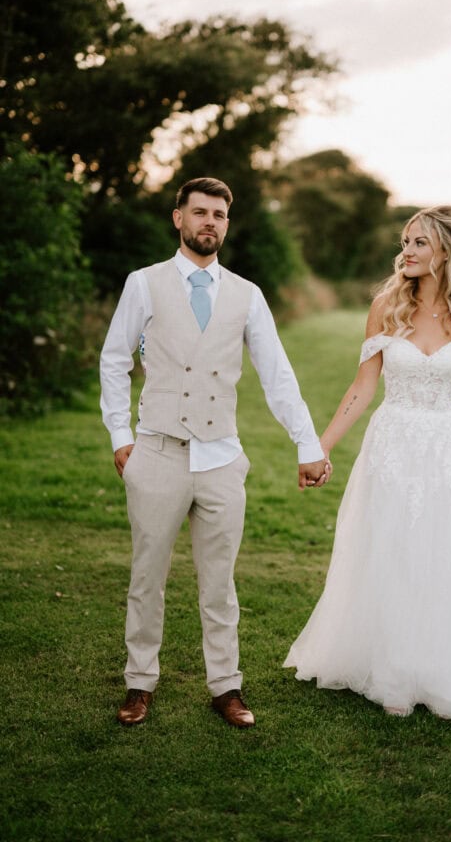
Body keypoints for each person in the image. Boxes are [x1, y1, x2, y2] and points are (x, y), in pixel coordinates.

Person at [100, 177, 330, 728]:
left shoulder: (247, 295)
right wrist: (120, 437)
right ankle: (139, 682)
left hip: (222, 459)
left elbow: (277, 374)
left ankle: (225, 686)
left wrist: (308, 443)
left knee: (220, 582)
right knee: (146, 577)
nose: (210, 222)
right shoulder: (143, 283)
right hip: (156, 451)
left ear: (227, 224)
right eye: (199, 212)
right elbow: (113, 361)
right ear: (177, 218)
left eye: (219, 215)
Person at [284, 205, 451, 722]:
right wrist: (319, 447)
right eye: (405, 241)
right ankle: (393, 671)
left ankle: (440, 673)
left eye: (418, 243)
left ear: (447, 251)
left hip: (450, 454)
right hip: (393, 449)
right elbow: (362, 386)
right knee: (393, 550)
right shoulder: (387, 307)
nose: (406, 251)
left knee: (446, 558)